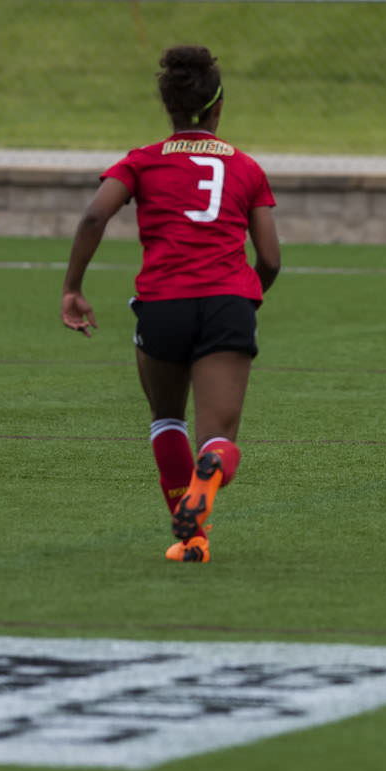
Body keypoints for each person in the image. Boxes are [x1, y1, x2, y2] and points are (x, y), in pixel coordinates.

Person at [62, 44, 280, 565]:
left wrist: (73, 286)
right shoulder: (246, 168)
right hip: (228, 301)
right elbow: (270, 258)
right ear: (219, 106)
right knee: (218, 440)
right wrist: (245, 298)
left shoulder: (141, 161)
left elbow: (95, 215)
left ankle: (191, 539)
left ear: (170, 107)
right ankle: (205, 485)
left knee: (165, 419)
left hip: (162, 304)